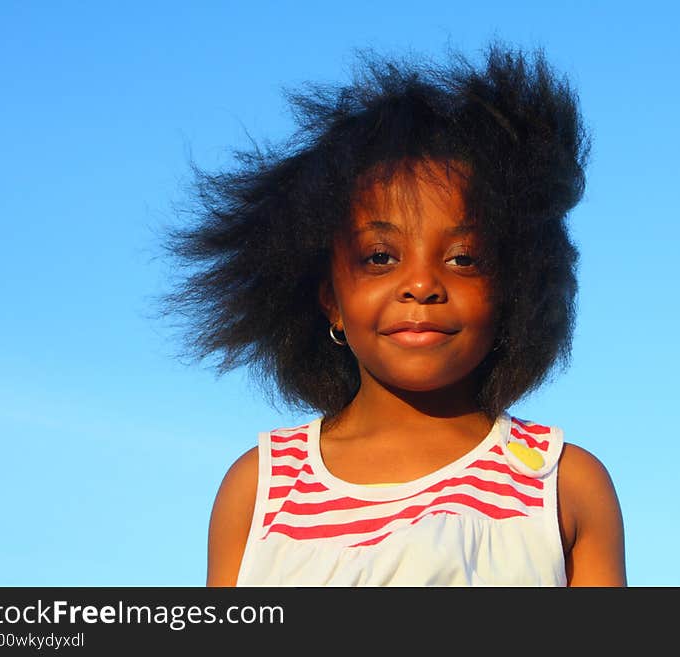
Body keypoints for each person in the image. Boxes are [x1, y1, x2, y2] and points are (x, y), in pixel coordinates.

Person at [160, 41, 626, 586]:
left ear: (515, 287)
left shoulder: (561, 484)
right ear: (330, 297)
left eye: (464, 258)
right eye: (380, 257)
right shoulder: (260, 489)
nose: (423, 284)